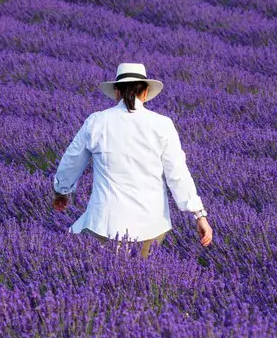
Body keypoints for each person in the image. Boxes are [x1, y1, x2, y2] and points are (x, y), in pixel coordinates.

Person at [51, 62, 212, 255]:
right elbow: (177, 173)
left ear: (117, 92)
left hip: (105, 221)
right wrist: (198, 215)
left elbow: (71, 161)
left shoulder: (97, 121)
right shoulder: (162, 124)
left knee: (103, 275)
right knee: (139, 277)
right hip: (151, 223)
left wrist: (62, 191)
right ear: (145, 92)